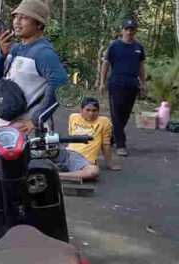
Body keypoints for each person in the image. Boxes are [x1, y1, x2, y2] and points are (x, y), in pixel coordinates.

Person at [0, 0, 68, 132]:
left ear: (39, 24)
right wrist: (2, 53)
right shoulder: (13, 48)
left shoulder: (43, 52)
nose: (17, 21)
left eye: (24, 18)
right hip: (5, 129)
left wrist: (36, 119)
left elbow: (60, 83)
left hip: (28, 134)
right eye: (16, 17)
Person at [99, 19, 146, 157]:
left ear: (135, 31)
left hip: (132, 85)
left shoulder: (138, 47)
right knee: (116, 115)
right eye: (127, 29)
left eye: (132, 29)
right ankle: (121, 144)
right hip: (116, 84)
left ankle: (112, 137)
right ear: (122, 31)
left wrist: (143, 83)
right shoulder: (114, 46)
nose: (129, 32)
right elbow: (106, 64)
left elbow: (141, 67)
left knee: (124, 116)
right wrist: (102, 82)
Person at [53, 97, 122, 180]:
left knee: (93, 171)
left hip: (83, 158)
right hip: (66, 152)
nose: (91, 113)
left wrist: (109, 164)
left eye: (94, 110)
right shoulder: (73, 117)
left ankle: (58, 176)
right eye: (88, 110)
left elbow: (105, 144)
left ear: (98, 111)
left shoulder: (104, 121)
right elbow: (71, 136)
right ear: (81, 110)